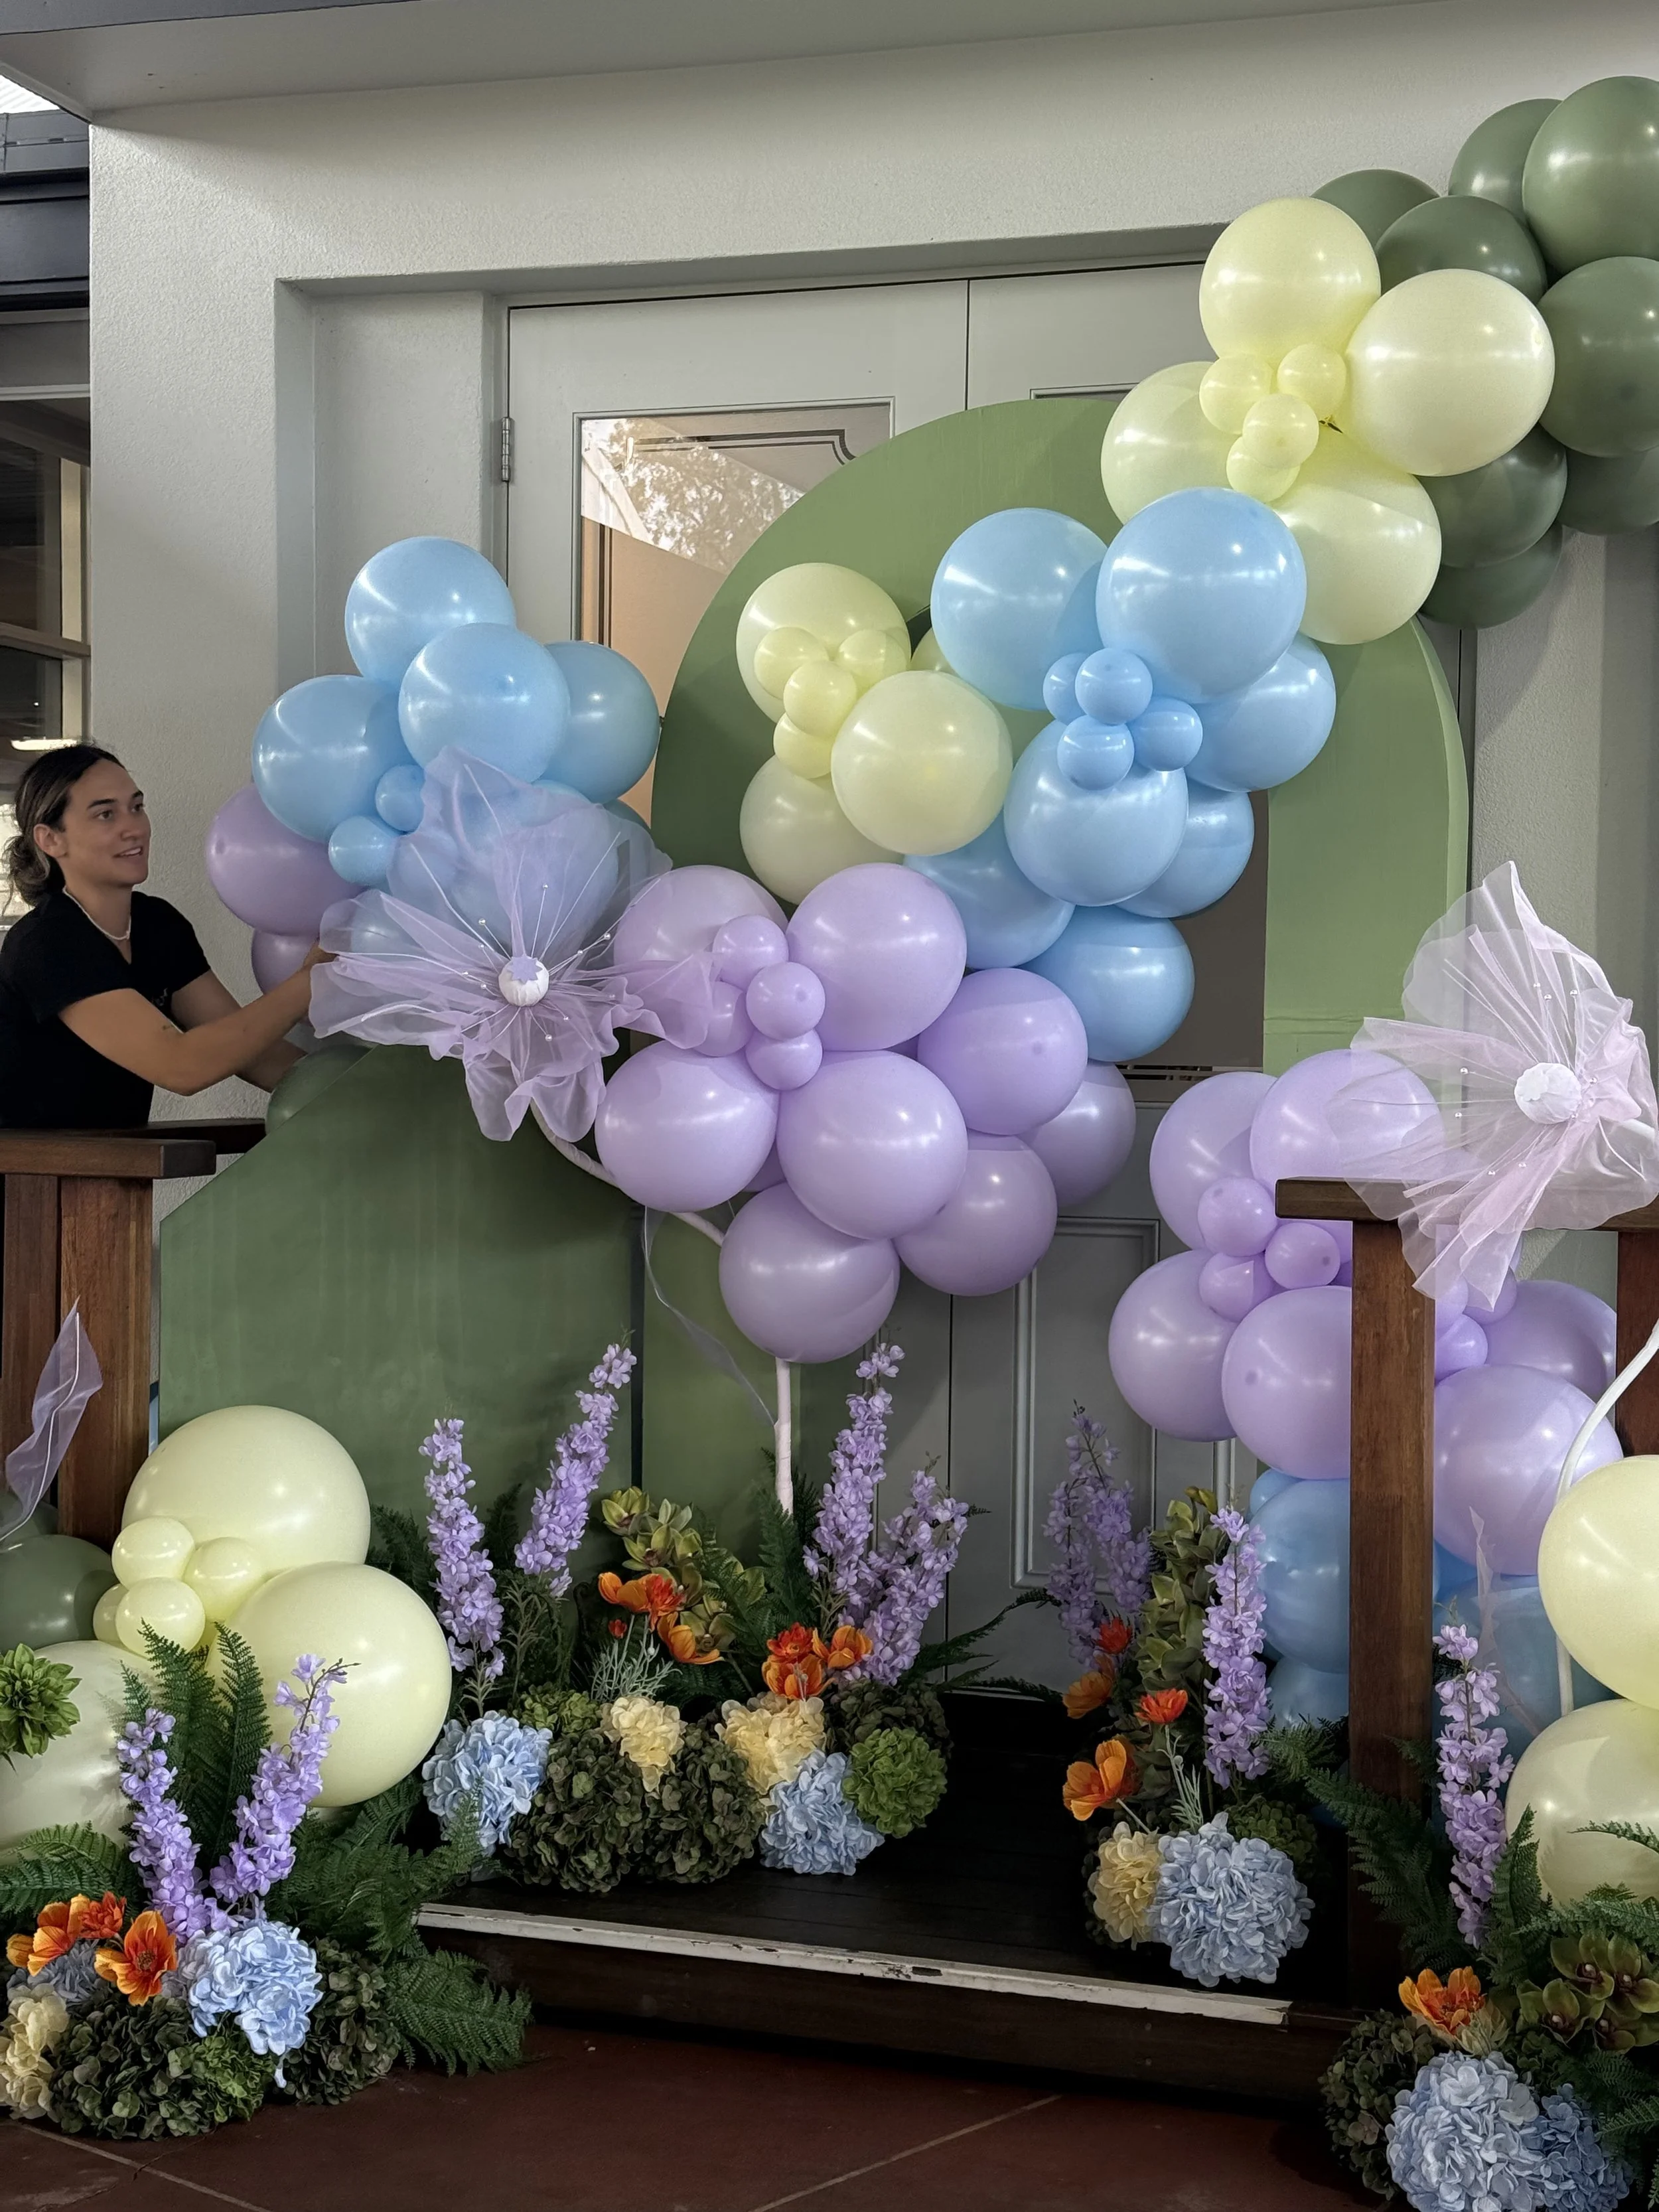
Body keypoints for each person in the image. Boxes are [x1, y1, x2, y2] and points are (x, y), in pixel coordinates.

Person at [0, 745, 328, 1130]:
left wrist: (373, 1088)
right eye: (106, 814)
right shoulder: (48, 942)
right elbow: (181, 1066)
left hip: (111, 1177)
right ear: (51, 840)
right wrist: (309, 982)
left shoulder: (156, 924)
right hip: (31, 1183)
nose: (134, 827)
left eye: (136, 807)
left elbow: (252, 1054)